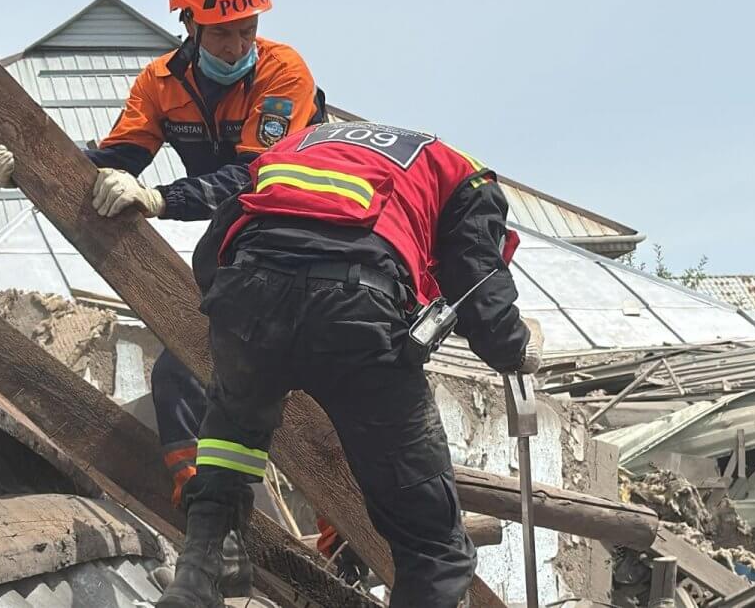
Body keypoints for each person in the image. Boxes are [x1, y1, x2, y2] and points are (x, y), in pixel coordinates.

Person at [0, 0, 324, 599]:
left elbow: (257, 177)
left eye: (248, 26)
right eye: (224, 31)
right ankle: (220, 542)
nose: (239, 40)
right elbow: (113, 161)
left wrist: (161, 199)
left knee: (319, 398)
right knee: (180, 371)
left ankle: (340, 534)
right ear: (189, 22)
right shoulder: (160, 83)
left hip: (305, 241)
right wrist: (21, 164)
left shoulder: (283, 73)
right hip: (234, 246)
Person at [157, 120, 544, 608]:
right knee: (434, 546)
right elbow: (480, 293)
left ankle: (195, 578)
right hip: (356, 310)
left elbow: (218, 240)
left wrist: (237, 318)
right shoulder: (464, 174)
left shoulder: (299, 144)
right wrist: (520, 346)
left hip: (248, 293)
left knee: (232, 428)